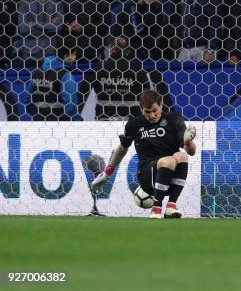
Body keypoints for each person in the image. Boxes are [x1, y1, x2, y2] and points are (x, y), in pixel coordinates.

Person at [91, 90, 197, 219]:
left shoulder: (174, 119)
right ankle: (156, 209)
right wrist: (107, 172)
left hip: (170, 179)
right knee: (168, 160)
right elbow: (123, 148)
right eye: (147, 112)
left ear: (161, 104)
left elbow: (191, 152)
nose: (152, 115)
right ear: (141, 108)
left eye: (155, 110)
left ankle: (171, 206)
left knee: (182, 156)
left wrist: (189, 142)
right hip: (148, 176)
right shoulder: (134, 124)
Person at [27, 45, 81, 121]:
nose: (75, 57)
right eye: (73, 55)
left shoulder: (36, 72)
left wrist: (34, 115)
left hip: (38, 119)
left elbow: (28, 97)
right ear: (66, 56)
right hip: (59, 121)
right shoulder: (66, 75)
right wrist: (75, 119)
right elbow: (70, 100)